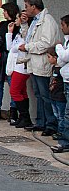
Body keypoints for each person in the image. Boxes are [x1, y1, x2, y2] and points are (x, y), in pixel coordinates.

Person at [20, 0, 63, 135]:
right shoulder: (35, 21)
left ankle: (51, 124)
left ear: (34, 6)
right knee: (38, 94)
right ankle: (41, 121)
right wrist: (24, 24)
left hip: (42, 63)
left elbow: (46, 43)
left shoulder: (47, 21)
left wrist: (27, 47)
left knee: (46, 95)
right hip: (34, 63)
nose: (25, 9)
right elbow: (28, 37)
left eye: (26, 6)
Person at [0, 2, 20, 122]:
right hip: (0, 57)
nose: (3, 13)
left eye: (4, 11)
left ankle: (12, 111)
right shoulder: (2, 24)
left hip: (10, 57)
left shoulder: (16, 25)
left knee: (12, 85)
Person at [6, 15, 33, 128]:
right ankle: (23, 117)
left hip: (22, 66)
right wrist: (9, 33)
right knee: (21, 92)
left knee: (14, 91)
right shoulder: (17, 35)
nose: (15, 20)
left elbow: (22, 47)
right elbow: (9, 47)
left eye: (17, 18)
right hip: (15, 65)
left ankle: (25, 116)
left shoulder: (26, 35)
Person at [52, 14, 69, 153]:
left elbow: (64, 56)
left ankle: (64, 141)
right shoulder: (66, 42)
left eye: (63, 25)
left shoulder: (62, 44)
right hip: (66, 80)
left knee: (66, 113)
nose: (61, 28)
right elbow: (61, 61)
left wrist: (58, 46)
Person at [47, 47, 67, 151]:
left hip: (59, 96)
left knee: (61, 116)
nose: (48, 59)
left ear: (55, 58)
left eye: (49, 57)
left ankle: (61, 133)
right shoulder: (53, 68)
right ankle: (59, 132)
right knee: (56, 114)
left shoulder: (61, 69)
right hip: (53, 95)